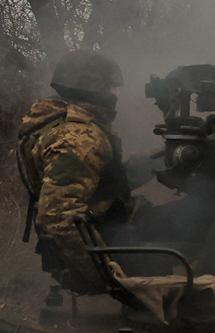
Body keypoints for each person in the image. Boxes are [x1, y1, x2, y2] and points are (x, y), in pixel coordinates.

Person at [15, 50, 133, 294]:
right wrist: (109, 278)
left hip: (108, 227)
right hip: (110, 242)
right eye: (112, 87)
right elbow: (60, 215)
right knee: (214, 221)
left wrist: (159, 159)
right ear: (92, 88)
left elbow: (104, 181)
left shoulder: (59, 124)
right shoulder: (78, 137)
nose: (116, 94)